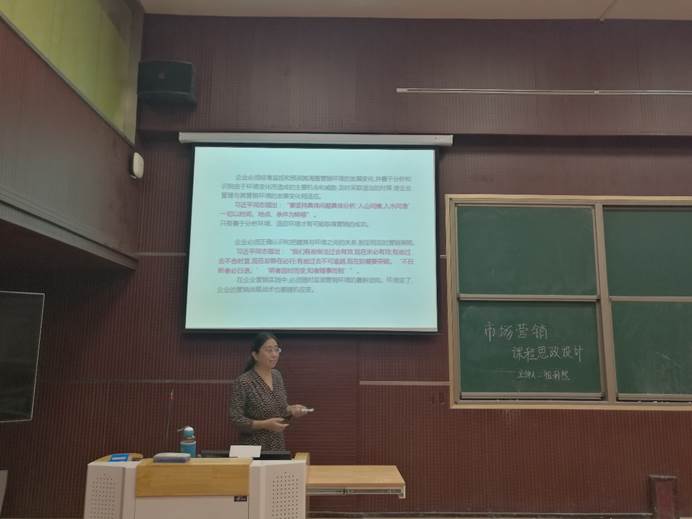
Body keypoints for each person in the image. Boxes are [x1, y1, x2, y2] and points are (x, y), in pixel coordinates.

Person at [229, 332, 309, 450]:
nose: (274, 354)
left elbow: (281, 409)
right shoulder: (244, 381)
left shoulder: (277, 375)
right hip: (253, 449)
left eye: (276, 350)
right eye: (269, 350)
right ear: (255, 355)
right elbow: (236, 419)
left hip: (277, 447)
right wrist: (264, 424)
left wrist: (292, 410)